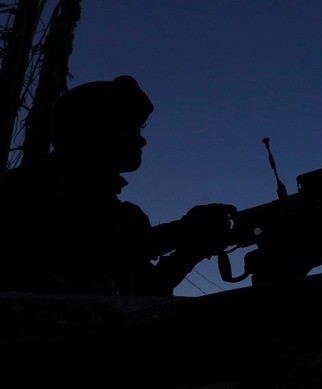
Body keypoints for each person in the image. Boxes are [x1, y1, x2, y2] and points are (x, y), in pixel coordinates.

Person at [0, 75, 237, 296]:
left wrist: (191, 248)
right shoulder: (25, 192)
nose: (141, 140)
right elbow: (92, 253)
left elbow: (142, 292)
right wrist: (183, 232)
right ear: (93, 127)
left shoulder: (121, 216)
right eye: (128, 127)